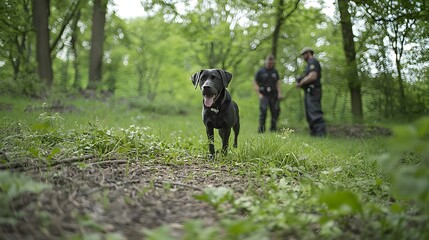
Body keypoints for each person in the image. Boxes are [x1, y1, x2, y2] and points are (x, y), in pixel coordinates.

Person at [296, 47, 326, 137]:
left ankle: (320, 135)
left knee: (315, 112)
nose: (302, 57)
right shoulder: (308, 65)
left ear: (308, 53)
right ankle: (314, 135)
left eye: (303, 54)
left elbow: (313, 76)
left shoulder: (313, 61)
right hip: (308, 92)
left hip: (313, 91)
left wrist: (301, 83)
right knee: (309, 115)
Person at [253, 54, 283, 133]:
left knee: (275, 112)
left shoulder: (275, 71)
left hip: (273, 95)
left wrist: (279, 93)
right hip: (264, 95)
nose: (269, 63)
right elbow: (255, 83)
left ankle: (273, 130)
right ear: (265, 61)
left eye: (271, 62)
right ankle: (261, 130)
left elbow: (278, 83)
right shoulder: (260, 71)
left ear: (273, 62)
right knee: (263, 111)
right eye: (268, 61)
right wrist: (259, 94)